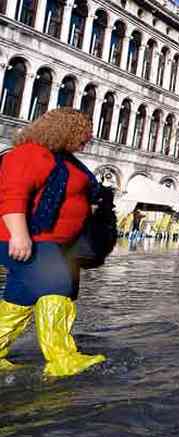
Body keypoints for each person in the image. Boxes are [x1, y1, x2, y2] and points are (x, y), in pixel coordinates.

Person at [0, 108, 106, 376]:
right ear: (65, 130)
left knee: (21, 298)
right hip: (28, 237)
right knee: (58, 286)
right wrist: (19, 235)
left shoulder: (66, 160)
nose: (88, 139)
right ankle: (62, 358)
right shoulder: (30, 153)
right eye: (83, 133)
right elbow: (12, 195)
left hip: (54, 243)